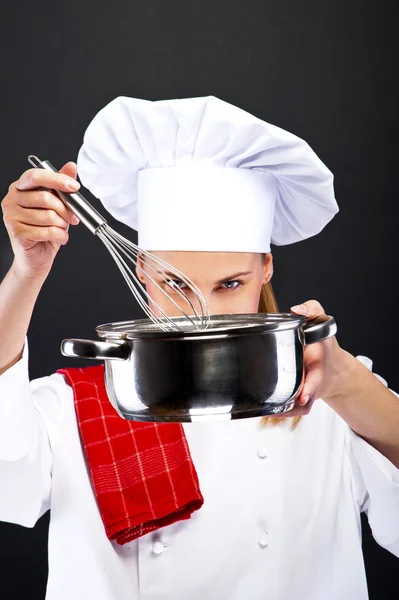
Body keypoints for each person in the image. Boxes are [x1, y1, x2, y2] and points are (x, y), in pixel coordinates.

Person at [0, 95, 398, 600]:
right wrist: (25, 273)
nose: (203, 315)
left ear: (266, 268)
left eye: (231, 284)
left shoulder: (331, 396)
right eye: (175, 284)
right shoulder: (85, 404)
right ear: (142, 272)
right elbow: (3, 479)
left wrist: (345, 383)